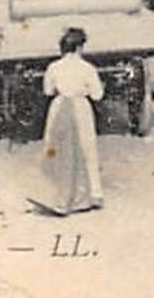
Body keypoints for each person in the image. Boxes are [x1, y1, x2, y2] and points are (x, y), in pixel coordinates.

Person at [36, 27, 106, 215]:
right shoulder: (88, 68)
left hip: (59, 107)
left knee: (55, 148)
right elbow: (98, 95)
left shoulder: (53, 67)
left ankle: (56, 194)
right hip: (80, 107)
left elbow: (48, 91)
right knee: (86, 149)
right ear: (80, 47)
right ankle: (92, 194)